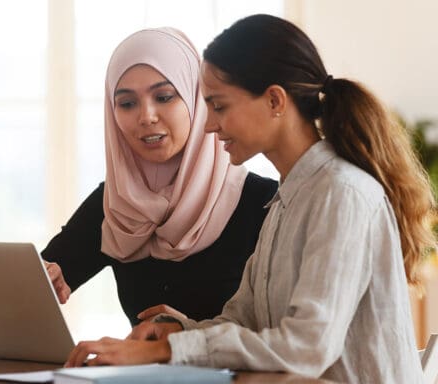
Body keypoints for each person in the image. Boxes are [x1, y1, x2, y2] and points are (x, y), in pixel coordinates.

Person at [63, 14, 435, 384]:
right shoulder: (287, 198)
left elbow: (308, 347)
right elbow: (243, 319)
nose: (208, 124)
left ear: (274, 100)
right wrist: (179, 332)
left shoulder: (341, 194)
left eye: (220, 106)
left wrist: (165, 351)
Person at [42, 27, 277, 327]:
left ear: (197, 99)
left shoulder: (266, 203)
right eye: (127, 103)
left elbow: (285, 333)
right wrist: (46, 276)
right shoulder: (116, 201)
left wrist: (187, 337)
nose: (146, 116)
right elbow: (47, 272)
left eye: (164, 97)